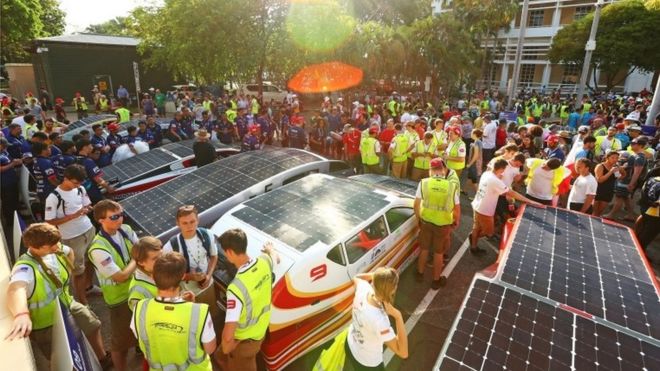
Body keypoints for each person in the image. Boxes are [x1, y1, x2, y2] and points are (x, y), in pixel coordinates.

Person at [6, 223, 109, 368]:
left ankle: (102, 359)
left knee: (93, 325)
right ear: (36, 247)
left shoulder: (55, 249)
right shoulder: (24, 267)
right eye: (52, 245)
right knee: (62, 358)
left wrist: (68, 269)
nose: (57, 247)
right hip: (47, 324)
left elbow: (69, 251)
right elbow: (15, 288)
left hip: (67, 305)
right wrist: (21, 314)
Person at [132, 252, 216, 370]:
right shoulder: (199, 312)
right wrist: (191, 306)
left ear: (153, 276)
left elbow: (143, 337)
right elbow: (210, 348)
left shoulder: (139, 308)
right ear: (182, 276)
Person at [216, 228, 278, 371]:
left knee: (235, 360)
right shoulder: (265, 261)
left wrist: (228, 347)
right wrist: (270, 249)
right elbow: (274, 257)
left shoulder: (236, 288)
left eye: (225, 252)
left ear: (230, 252)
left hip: (243, 343)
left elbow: (227, 338)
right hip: (260, 332)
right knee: (220, 356)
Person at [88, 200, 139, 371]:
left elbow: (141, 250)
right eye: (114, 217)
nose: (120, 219)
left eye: (121, 214)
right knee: (121, 344)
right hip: (120, 300)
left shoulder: (126, 230)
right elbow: (120, 277)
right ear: (100, 220)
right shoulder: (98, 248)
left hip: (138, 291)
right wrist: (137, 259)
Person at [44, 164, 96, 305]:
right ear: (66, 179)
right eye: (75, 182)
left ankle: (89, 287)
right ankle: (82, 301)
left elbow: (87, 205)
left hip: (88, 229)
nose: (77, 185)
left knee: (91, 260)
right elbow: (49, 221)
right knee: (78, 271)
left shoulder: (80, 189)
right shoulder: (53, 197)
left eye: (80, 183)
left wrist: (87, 209)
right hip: (72, 238)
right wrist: (73, 216)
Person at [471, 159, 542, 254]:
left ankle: (473, 246)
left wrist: (499, 178)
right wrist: (529, 201)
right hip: (485, 210)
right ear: (502, 169)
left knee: (477, 227)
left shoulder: (487, 174)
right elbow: (511, 192)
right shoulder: (495, 181)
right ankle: (473, 238)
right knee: (489, 232)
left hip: (477, 204)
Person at [163, 205, 218, 322]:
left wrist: (208, 275)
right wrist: (190, 276)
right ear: (177, 223)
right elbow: (168, 275)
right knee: (195, 320)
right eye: (185, 223)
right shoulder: (170, 246)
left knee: (211, 315)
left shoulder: (207, 234)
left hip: (208, 285)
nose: (190, 226)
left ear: (198, 220)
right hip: (188, 291)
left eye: (192, 221)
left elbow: (214, 256)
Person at [345, 268, 408, 370]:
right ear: (392, 291)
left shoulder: (364, 288)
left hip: (351, 344)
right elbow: (403, 352)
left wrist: (376, 276)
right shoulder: (380, 321)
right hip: (367, 363)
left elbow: (356, 277)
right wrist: (398, 316)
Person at [414, 158, 460, 289]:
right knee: (438, 253)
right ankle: (435, 281)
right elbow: (456, 209)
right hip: (443, 225)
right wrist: (455, 222)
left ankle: (419, 274)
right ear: (443, 170)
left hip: (426, 222)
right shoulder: (451, 186)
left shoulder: (424, 183)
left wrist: (418, 220)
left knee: (424, 249)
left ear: (431, 170)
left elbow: (416, 205)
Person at [604, 139, 648, 220]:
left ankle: (611, 215)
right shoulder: (635, 155)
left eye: (634, 143)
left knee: (619, 197)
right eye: (631, 142)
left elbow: (637, 172)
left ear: (640, 145)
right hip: (626, 179)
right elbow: (629, 166)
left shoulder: (640, 157)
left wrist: (631, 183)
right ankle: (630, 216)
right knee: (625, 198)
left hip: (627, 180)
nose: (631, 144)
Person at [127, 236, 163, 311]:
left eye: (161, 255)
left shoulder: (161, 269)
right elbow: (143, 320)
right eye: (155, 258)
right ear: (141, 262)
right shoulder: (138, 292)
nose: (163, 260)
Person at [76, 139, 113, 204]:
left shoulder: (75, 160)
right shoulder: (88, 161)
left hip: (82, 193)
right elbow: (98, 179)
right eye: (90, 145)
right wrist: (108, 188)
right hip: (93, 192)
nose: (92, 147)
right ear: (85, 147)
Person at [593, 151, 621, 217]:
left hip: (608, 191)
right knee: (594, 212)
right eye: (613, 158)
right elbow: (600, 180)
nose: (615, 160)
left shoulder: (616, 167)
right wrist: (611, 172)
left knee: (600, 212)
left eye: (617, 158)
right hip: (597, 190)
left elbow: (623, 174)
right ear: (607, 158)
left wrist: (619, 176)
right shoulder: (600, 166)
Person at [465, 129, 483, 200]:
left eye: (472, 133)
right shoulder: (478, 142)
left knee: (474, 180)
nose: (470, 134)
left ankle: (478, 197)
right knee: (470, 177)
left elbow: (476, 155)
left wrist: (470, 164)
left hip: (474, 164)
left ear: (475, 134)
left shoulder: (476, 143)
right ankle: (465, 190)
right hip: (477, 163)